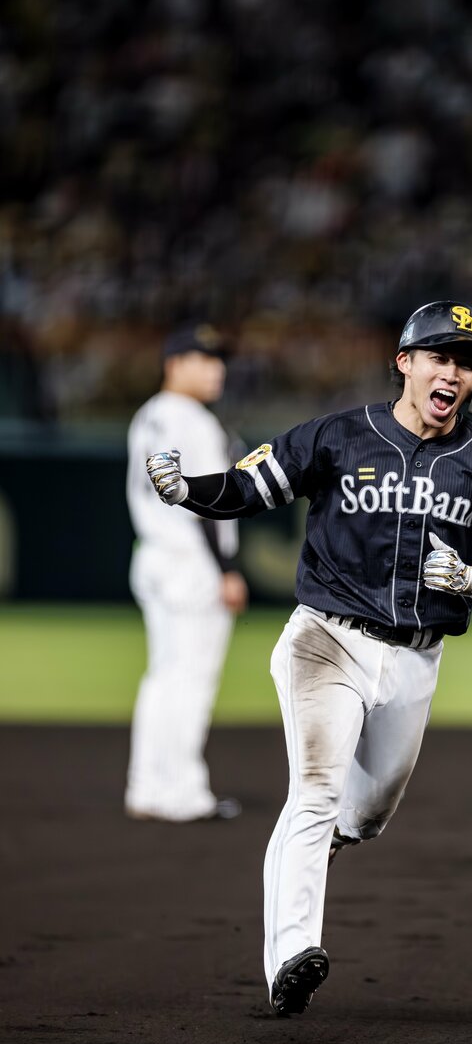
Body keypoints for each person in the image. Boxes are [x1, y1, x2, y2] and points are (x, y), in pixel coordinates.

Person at [144, 300, 472, 1013]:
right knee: (316, 789)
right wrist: (188, 493)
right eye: (440, 356)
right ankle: (290, 955)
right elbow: (247, 485)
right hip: (325, 639)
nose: (453, 372)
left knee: (366, 813)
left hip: (417, 660)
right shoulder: (338, 435)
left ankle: (329, 840)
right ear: (405, 362)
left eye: (469, 363)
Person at [125, 323, 249, 823]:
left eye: (218, 360)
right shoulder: (194, 421)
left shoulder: (147, 416)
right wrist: (227, 569)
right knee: (191, 681)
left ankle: (147, 785)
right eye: (204, 359)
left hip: (154, 556)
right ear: (175, 364)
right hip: (191, 565)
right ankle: (182, 793)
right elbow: (203, 503)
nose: (215, 369)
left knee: (163, 678)